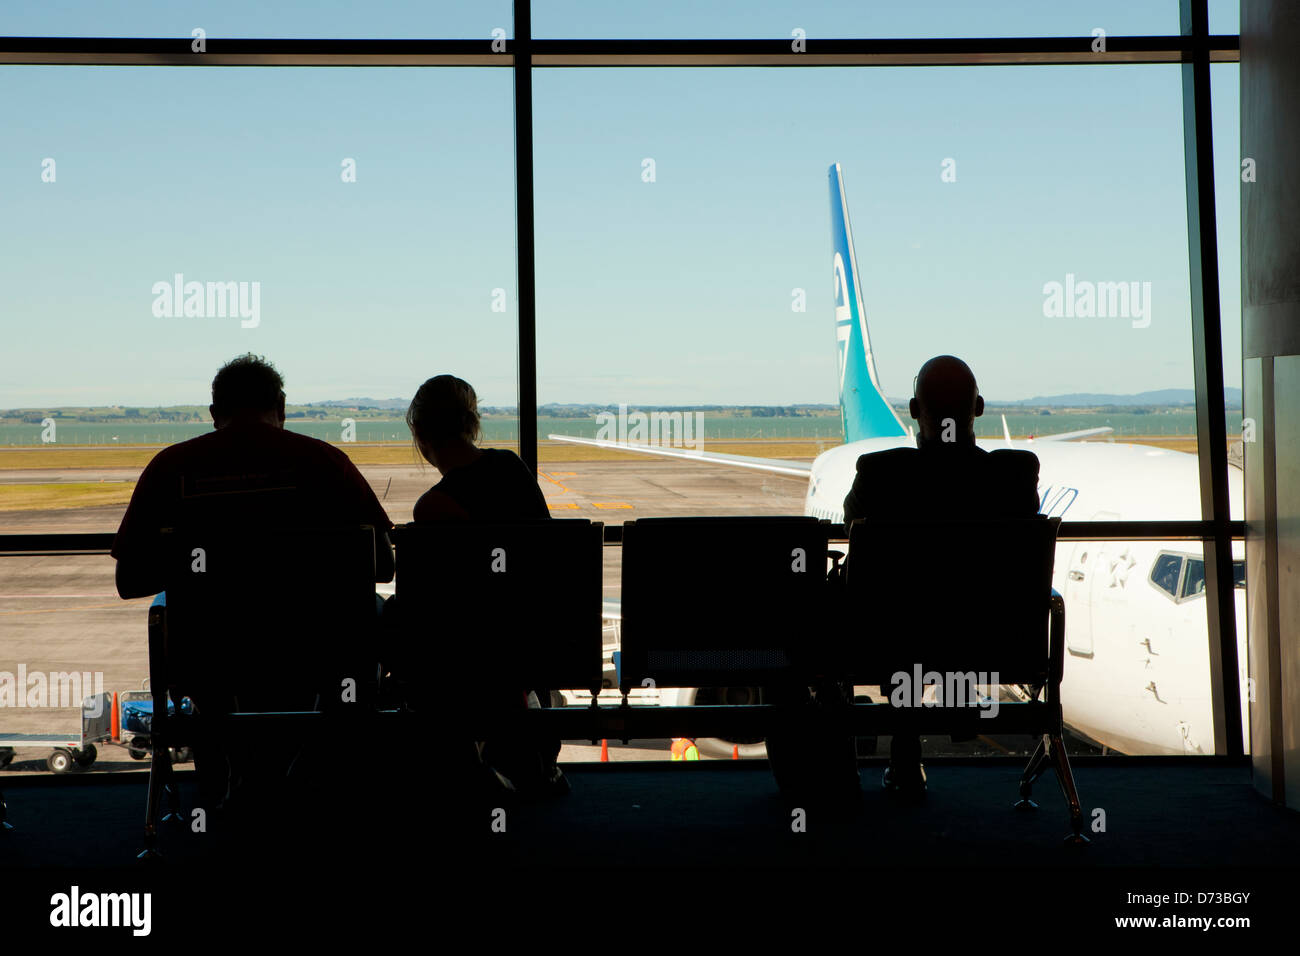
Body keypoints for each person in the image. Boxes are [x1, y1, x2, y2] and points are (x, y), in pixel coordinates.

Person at [111, 354, 395, 810]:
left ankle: (238, 776)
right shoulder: (326, 462)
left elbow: (129, 579)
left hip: (210, 653)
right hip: (316, 650)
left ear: (213, 412)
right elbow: (381, 566)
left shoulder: (171, 467)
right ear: (280, 405)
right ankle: (307, 775)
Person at [843, 354, 1040, 796]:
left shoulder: (880, 474)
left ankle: (897, 754)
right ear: (981, 407)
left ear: (914, 411)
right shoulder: (1014, 475)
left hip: (890, 641)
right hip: (996, 639)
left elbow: (849, 525)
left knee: (897, 604)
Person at [395, 374, 565, 798]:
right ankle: (529, 758)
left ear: (419, 433)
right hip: (536, 640)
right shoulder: (513, 468)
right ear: (472, 424)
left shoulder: (433, 506)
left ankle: (466, 764)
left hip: (472, 654)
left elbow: (432, 604)